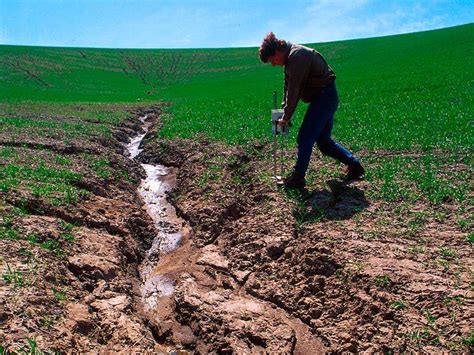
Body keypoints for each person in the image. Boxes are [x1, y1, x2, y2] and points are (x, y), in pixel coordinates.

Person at [259, 32, 365, 188]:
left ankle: (298, 177)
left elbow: (295, 89)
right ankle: (355, 166)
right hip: (322, 98)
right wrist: (281, 113)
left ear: (277, 52)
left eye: (272, 61)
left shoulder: (298, 55)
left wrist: (287, 117)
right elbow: (287, 89)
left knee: (305, 137)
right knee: (324, 142)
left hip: (325, 96)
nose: (274, 65)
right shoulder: (289, 61)